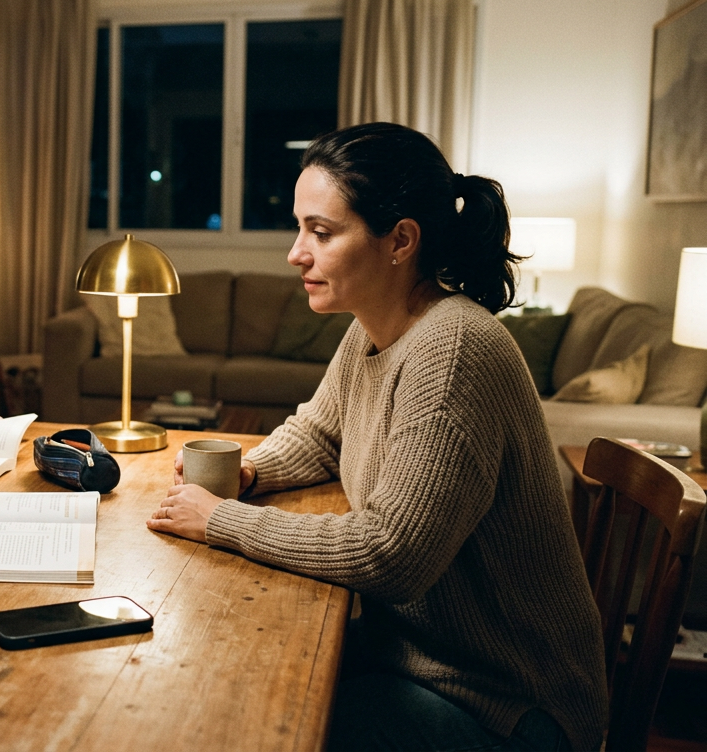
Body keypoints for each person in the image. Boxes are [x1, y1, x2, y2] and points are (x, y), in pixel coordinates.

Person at [147, 123, 607, 751]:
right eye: (299, 227)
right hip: (420, 658)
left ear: (400, 241)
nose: (295, 253)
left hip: (508, 705)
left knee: (250, 718)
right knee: (235, 664)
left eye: (322, 231)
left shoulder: (453, 351)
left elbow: (389, 554)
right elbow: (320, 432)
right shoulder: (374, 327)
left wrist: (222, 519)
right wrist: (251, 471)